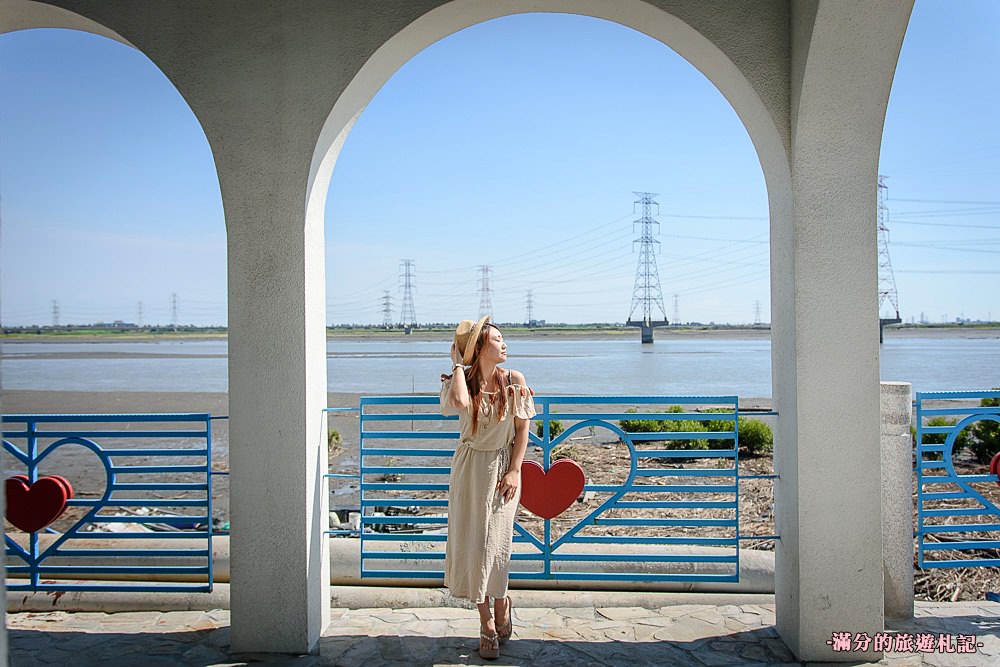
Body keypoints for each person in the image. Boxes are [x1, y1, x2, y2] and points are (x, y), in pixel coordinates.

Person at [440, 316, 536, 660]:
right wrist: (457, 365)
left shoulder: (515, 380)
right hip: (468, 470)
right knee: (473, 545)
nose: (504, 344)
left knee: (496, 545)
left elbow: (523, 430)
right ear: (479, 348)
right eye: (497, 339)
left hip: (501, 470)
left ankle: (501, 601)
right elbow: (461, 405)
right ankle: (486, 624)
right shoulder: (459, 381)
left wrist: (514, 471)